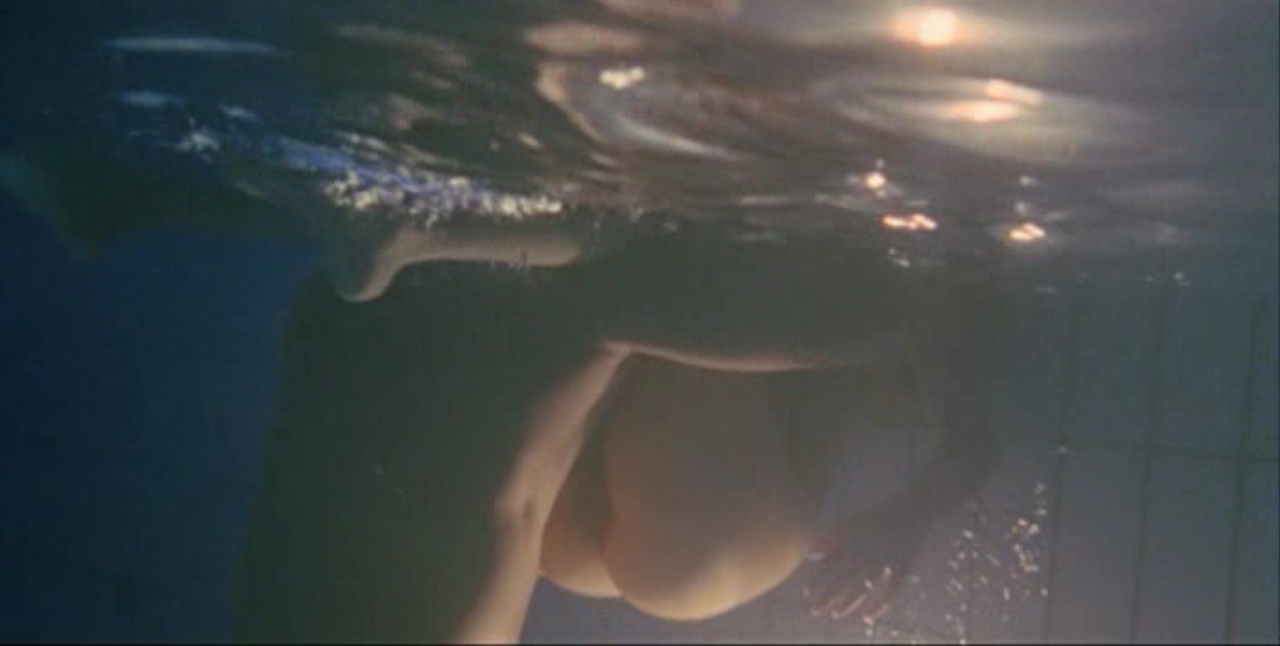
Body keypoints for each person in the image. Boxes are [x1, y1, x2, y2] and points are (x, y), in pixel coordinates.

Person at [231, 225, 1007, 644]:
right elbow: (969, 413)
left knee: (587, 306)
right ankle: (437, 243)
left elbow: (967, 416)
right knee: (590, 302)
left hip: (630, 515)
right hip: (628, 532)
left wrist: (908, 512)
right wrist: (907, 515)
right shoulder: (881, 312)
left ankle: (443, 244)